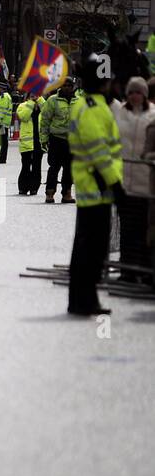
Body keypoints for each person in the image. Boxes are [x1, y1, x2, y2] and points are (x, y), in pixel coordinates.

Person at [65, 53, 125, 316]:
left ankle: (84, 298)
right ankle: (83, 300)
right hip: (97, 184)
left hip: (95, 184)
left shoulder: (90, 104)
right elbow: (99, 151)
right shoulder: (92, 108)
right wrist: (116, 184)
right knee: (92, 247)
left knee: (88, 246)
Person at [111, 76, 154, 279]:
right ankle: (127, 269)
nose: (135, 96)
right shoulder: (119, 113)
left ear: (144, 94)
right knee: (127, 228)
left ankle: (144, 270)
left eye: (138, 92)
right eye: (131, 92)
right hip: (123, 181)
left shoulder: (153, 114)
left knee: (145, 228)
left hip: (146, 182)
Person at [43, 76, 77, 203]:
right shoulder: (53, 100)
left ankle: (66, 193)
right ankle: (50, 193)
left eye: (69, 86)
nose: (67, 88)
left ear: (73, 87)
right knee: (54, 167)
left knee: (69, 168)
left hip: (72, 140)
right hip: (56, 139)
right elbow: (45, 120)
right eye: (64, 85)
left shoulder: (78, 101)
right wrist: (44, 138)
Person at [16, 91, 43, 196]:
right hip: (27, 142)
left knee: (37, 167)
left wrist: (40, 100)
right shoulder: (22, 106)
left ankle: (34, 188)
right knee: (26, 166)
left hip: (39, 141)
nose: (34, 97)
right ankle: (23, 187)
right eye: (31, 96)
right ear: (27, 97)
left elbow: (48, 111)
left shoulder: (42, 105)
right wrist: (31, 104)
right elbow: (24, 117)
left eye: (36, 95)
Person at [0, 79, 13, 163]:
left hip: (2, 123)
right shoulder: (0, 96)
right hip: (0, 122)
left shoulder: (4, 97)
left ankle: (2, 159)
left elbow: (2, 110)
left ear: (2, 88)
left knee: (2, 142)